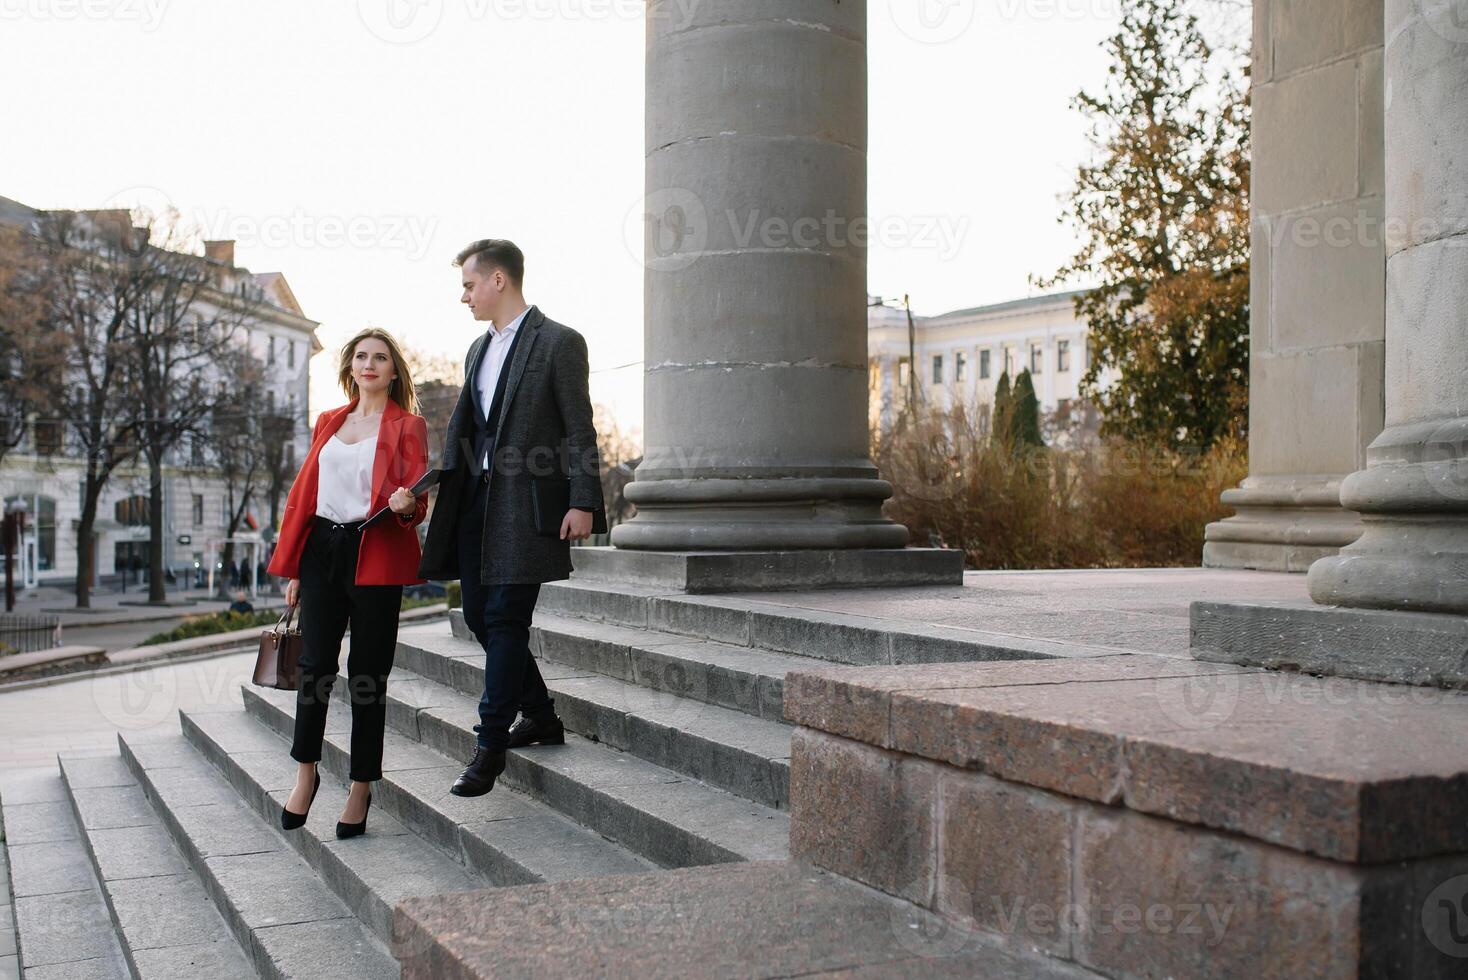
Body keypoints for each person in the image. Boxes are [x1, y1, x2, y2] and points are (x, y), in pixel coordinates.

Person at [417, 239, 604, 797]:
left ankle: (489, 745)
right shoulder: (478, 350)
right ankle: (541, 715)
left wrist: (584, 499)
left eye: (469, 285)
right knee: (477, 615)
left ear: (499, 280)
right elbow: (469, 430)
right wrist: (434, 489)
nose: (464, 296)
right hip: (477, 502)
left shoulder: (559, 342)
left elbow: (579, 426)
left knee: (504, 620)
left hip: (527, 507)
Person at [266, 328, 430, 838]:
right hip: (321, 552)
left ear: (393, 370)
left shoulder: (408, 425)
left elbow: (416, 495)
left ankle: (361, 786)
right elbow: (310, 495)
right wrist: (296, 570)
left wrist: (408, 506)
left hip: (374, 549)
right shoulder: (328, 421)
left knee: (366, 674)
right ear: (350, 366)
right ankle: (305, 773)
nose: (369, 364)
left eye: (380, 357)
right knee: (314, 667)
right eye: (361, 356)